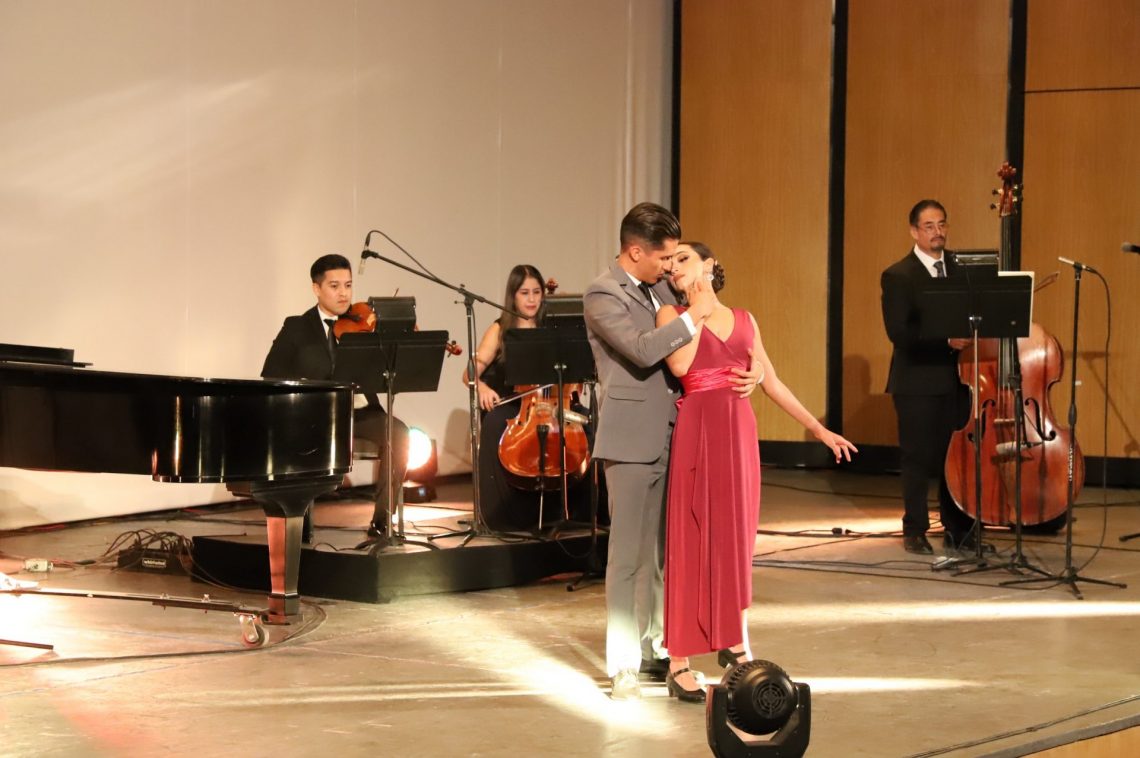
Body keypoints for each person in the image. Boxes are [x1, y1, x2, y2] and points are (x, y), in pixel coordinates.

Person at [658, 242, 857, 702]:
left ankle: (734, 642)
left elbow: (772, 380)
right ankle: (679, 661)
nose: (674, 268)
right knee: (691, 538)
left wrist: (819, 430)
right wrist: (699, 309)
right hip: (698, 430)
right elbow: (682, 365)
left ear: (709, 265)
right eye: (670, 265)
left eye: (684, 259)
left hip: (738, 434)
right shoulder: (672, 316)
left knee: (735, 540)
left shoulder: (746, 319)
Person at [583, 203, 763, 700]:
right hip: (631, 437)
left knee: (670, 553)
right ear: (634, 252)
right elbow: (645, 349)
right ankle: (623, 663)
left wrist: (754, 370)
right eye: (662, 257)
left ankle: (662, 649)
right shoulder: (602, 293)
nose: (669, 267)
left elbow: (713, 336)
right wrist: (695, 316)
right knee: (628, 555)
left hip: (680, 433)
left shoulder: (661, 287)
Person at [261, 253, 410, 539]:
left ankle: (382, 522)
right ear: (316, 288)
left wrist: (387, 342)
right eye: (334, 286)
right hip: (316, 416)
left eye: (348, 285)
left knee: (400, 434)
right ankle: (300, 524)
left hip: (361, 414)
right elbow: (272, 375)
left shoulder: (363, 324)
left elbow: (388, 371)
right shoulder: (296, 327)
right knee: (296, 441)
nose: (344, 294)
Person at [881, 200, 976, 555]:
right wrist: (946, 340)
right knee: (918, 457)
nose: (937, 232)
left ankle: (959, 528)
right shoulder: (898, 275)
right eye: (929, 226)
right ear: (914, 232)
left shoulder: (961, 269)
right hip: (916, 381)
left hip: (959, 379)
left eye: (942, 224)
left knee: (959, 456)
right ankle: (915, 529)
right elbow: (899, 333)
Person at [463, 265, 592, 529]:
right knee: (493, 424)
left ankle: (582, 511)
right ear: (513, 296)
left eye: (536, 292)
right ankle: (500, 516)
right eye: (524, 293)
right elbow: (470, 372)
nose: (532, 299)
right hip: (518, 405)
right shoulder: (500, 329)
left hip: (558, 403)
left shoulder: (553, 325)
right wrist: (481, 387)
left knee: (592, 424)